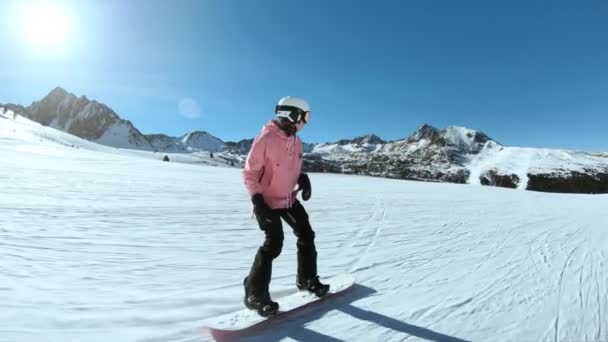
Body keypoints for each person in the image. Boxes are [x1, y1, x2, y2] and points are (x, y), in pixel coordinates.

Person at [242, 96, 329, 316]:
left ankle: (307, 280)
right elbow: (250, 174)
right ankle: (255, 295)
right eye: (305, 116)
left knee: (306, 235)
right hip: (267, 202)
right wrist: (257, 201)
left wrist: (302, 178)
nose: (306, 122)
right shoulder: (265, 139)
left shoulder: (297, 141)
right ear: (293, 114)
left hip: (289, 199)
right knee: (274, 244)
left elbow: (291, 167)